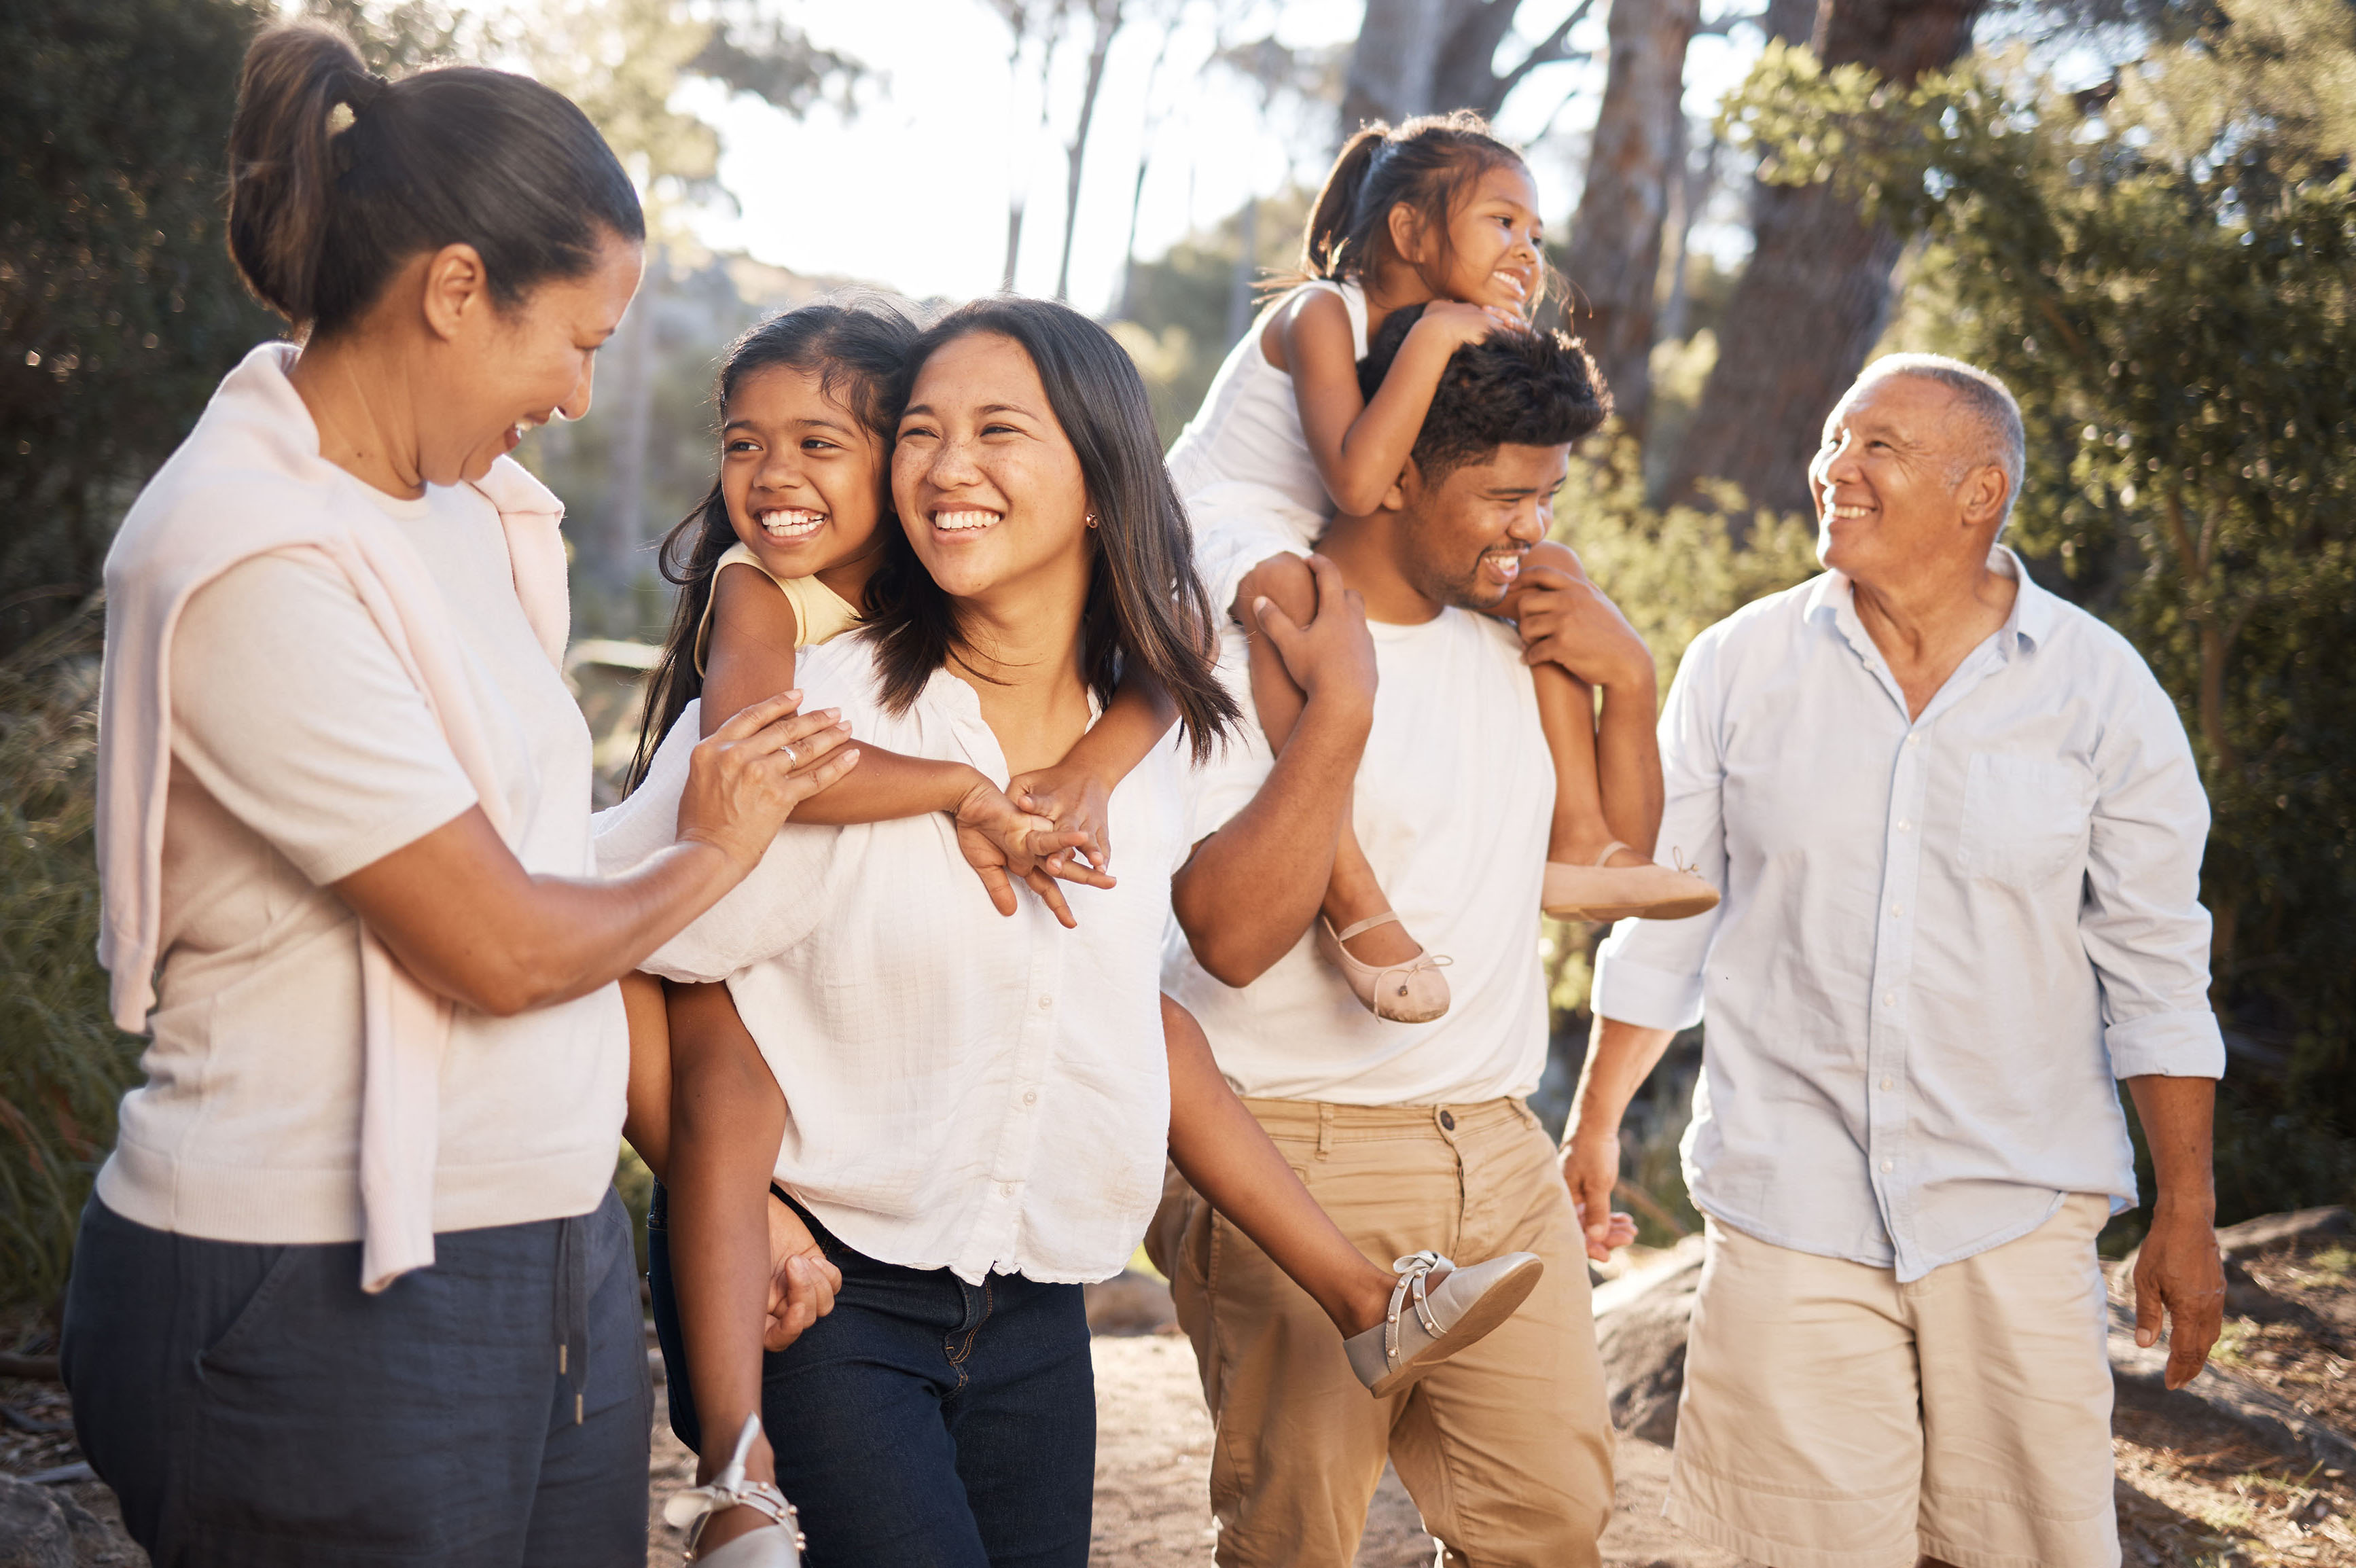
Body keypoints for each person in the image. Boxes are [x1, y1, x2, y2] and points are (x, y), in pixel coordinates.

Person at [60, 23, 860, 1568]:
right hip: (305, 1278)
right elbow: (498, 945)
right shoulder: (249, 554)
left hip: (542, 1246)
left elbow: (553, 869)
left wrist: (697, 1165)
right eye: (573, 337)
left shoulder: (461, 509)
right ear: (451, 289)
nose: (575, 393)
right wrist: (716, 841)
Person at [595, 298, 1541, 1568]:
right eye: (921, 432)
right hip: (836, 1294)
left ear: (1100, 483)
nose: (946, 465)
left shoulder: (1149, 729)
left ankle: (1370, 1296)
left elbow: (1232, 940)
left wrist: (1338, 717)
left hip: (1038, 1299)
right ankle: (733, 1486)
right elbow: (610, 946)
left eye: (997, 429)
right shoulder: (820, 717)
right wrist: (746, 1202)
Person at [1565, 355, 2228, 1568]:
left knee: (2031, 1550)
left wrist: (2188, 1208)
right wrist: (1597, 1121)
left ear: (1982, 493)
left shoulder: (2101, 692)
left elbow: (2155, 965)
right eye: (1831, 439)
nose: (1835, 468)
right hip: (1789, 1198)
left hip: (2015, 1203)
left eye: (1879, 447)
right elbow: (1666, 917)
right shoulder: (1736, 667)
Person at [1154, 306, 1652, 1568]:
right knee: (1295, 1544)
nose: (1530, 527)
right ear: (1394, 478)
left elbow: (1607, 869)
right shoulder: (1248, 633)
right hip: (1294, 1144)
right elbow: (1221, 932)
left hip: (1496, 1139)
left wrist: (1627, 679)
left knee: (1549, 1527)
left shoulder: (1517, 636)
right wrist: (1340, 713)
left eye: (1545, 495)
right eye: (1502, 494)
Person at [1164, 110, 1714, 1022]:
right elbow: (1355, 480)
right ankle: (1353, 899)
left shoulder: (1423, 344)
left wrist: (1632, 677)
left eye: (1536, 233)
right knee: (1300, 616)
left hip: (1302, 521)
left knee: (1552, 576)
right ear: (1411, 232)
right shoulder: (1321, 313)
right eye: (1503, 222)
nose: (1529, 249)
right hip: (1214, 519)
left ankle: (1582, 838)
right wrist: (1436, 337)